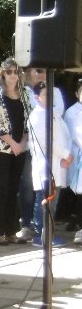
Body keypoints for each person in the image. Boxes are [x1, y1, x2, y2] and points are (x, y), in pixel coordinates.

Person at [0, 58, 33, 245]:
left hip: (20, 146)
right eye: (9, 72)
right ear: (2, 73)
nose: (13, 75)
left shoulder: (26, 93)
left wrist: (22, 142)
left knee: (14, 189)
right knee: (2, 188)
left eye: (16, 72)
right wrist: (12, 143)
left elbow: (30, 120)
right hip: (0, 147)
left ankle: (12, 230)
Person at [18, 66, 64, 240]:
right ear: (29, 72)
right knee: (33, 190)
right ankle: (35, 229)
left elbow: (57, 114)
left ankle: (45, 232)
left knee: (49, 192)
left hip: (54, 154)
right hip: (37, 151)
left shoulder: (54, 93)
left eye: (46, 70)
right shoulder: (26, 95)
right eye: (38, 70)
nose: (43, 73)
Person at [27, 81, 72, 247]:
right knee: (45, 200)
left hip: (57, 163)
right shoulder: (37, 116)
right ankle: (42, 235)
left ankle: (49, 233)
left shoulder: (52, 112)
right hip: (46, 164)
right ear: (37, 97)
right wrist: (65, 154)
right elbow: (47, 141)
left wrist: (65, 156)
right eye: (46, 94)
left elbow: (62, 135)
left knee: (52, 201)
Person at [65, 82, 82, 244]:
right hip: (78, 158)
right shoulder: (72, 112)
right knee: (79, 195)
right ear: (77, 94)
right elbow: (76, 136)